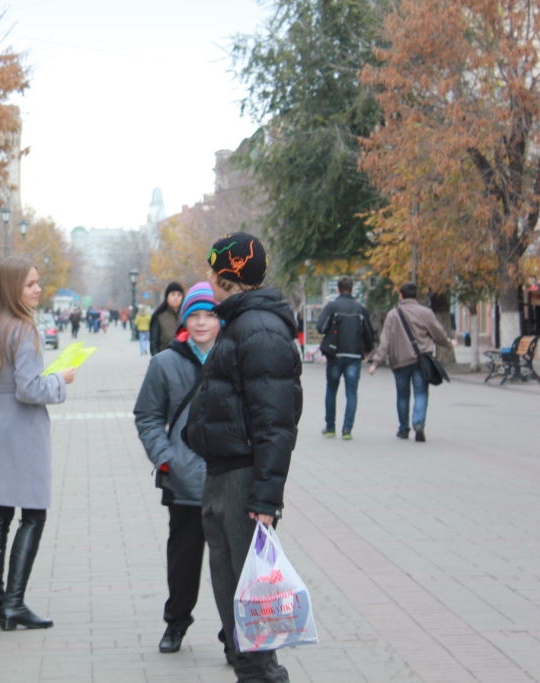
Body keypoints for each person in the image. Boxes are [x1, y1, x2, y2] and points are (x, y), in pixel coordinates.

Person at [183, 232, 301, 682]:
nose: (208, 279)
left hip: (242, 480)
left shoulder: (259, 330)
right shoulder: (243, 323)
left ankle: (263, 676)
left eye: (213, 272)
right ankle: (254, 671)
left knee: (248, 602)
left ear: (226, 276)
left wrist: (266, 497)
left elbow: (276, 423)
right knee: (234, 595)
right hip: (224, 473)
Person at [0, 256, 75, 631]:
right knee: (34, 512)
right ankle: (14, 603)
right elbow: (30, 390)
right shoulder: (25, 329)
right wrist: (61, 379)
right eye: (30, 284)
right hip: (24, 428)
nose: (38, 289)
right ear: (13, 288)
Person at [134, 283, 220, 655]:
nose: (202, 323)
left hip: (227, 479)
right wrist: (165, 456)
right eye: (195, 315)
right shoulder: (164, 363)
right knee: (183, 560)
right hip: (183, 479)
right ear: (184, 317)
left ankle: (235, 636)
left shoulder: (235, 357)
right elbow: (148, 416)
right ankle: (176, 624)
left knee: (230, 566)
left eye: (210, 314)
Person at [368, 282, 455, 442]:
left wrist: (376, 362)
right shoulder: (425, 313)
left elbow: (385, 341)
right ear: (416, 296)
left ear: (401, 296)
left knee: (402, 395)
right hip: (421, 361)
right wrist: (449, 343)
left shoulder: (393, 315)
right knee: (421, 393)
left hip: (399, 361)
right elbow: (438, 333)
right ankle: (419, 423)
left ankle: (403, 429)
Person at [315, 276, 375, 440]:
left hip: (335, 354)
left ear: (338, 289)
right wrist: (368, 349)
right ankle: (347, 430)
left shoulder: (332, 307)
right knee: (351, 393)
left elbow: (320, 327)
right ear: (352, 289)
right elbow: (369, 332)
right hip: (354, 355)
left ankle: (330, 427)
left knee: (331, 389)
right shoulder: (360, 309)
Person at [149, 282, 185, 356]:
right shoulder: (159, 316)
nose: (176, 297)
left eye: (179, 295)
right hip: (165, 360)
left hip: (185, 361)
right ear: (167, 296)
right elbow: (154, 344)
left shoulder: (186, 315)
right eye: (173, 294)